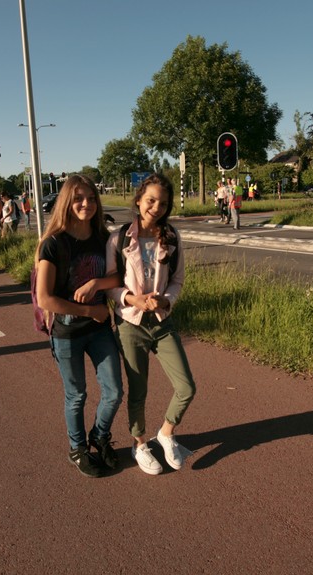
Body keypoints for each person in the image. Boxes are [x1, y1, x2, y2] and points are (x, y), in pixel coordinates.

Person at [105, 173, 196, 475]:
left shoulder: (171, 236)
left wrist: (166, 301)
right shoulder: (118, 239)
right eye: (151, 200)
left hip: (161, 322)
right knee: (138, 390)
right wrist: (132, 299)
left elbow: (178, 280)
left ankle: (166, 433)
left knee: (186, 387)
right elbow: (110, 285)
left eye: (163, 203)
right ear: (139, 200)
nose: (156, 208)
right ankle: (140, 444)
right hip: (130, 324)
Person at [34, 174, 123, 478]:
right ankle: (77, 448)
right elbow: (45, 298)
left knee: (114, 391)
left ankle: (99, 435)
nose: (87, 204)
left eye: (91, 198)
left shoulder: (104, 238)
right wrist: (89, 310)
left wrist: (97, 283)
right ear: (66, 202)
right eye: (79, 198)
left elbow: (120, 277)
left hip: (98, 330)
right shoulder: (53, 244)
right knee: (76, 396)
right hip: (68, 333)